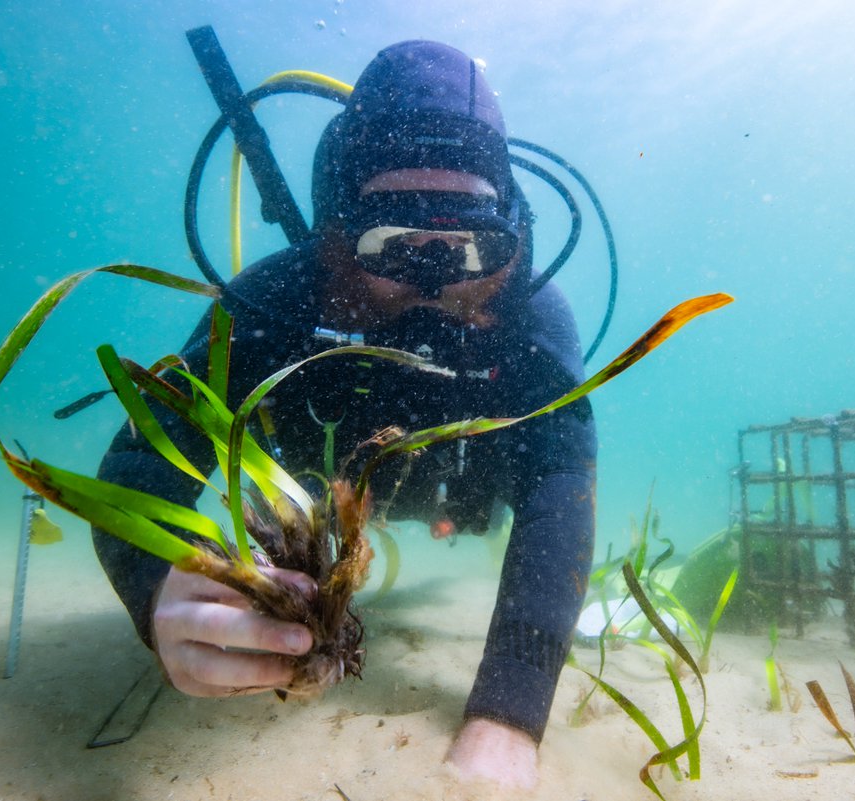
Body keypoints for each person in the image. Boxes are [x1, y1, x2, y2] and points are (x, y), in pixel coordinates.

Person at [93, 40, 596, 789]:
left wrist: (509, 714)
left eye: (463, 247)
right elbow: (139, 463)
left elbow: (562, 490)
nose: (430, 284)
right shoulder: (274, 306)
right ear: (334, 239)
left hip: (464, 497)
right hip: (317, 490)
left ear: (507, 243)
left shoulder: (529, 324)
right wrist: (158, 584)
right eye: (392, 244)